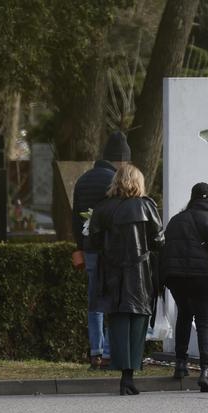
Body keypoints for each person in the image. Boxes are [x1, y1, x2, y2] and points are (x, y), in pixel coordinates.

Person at [88, 164, 164, 395]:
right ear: (138, 182)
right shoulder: (147, 206)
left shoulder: (102, 208)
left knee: (118, 319)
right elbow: (158, 240)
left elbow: (93, 242)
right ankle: (130, 375)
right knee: (138, 320)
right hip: (139, 271)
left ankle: (123, 373)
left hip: (111, 271)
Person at [161, 182, 208, 392]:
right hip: (204, 278)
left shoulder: (176, 220)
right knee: (205, 322)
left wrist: (164, 278)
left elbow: (166, 251)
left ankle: (180, 364)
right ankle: (205, 371)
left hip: (177, 277)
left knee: (184, 316)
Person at [72, 131, 131, 370]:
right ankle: (108, 352)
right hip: (112, 249)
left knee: (94, 300)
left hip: (90, 249)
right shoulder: (115, 180)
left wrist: (81, 246)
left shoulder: (83, 180)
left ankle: (95, 352)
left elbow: (76, 218)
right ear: (122, 160)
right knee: (114, 299)